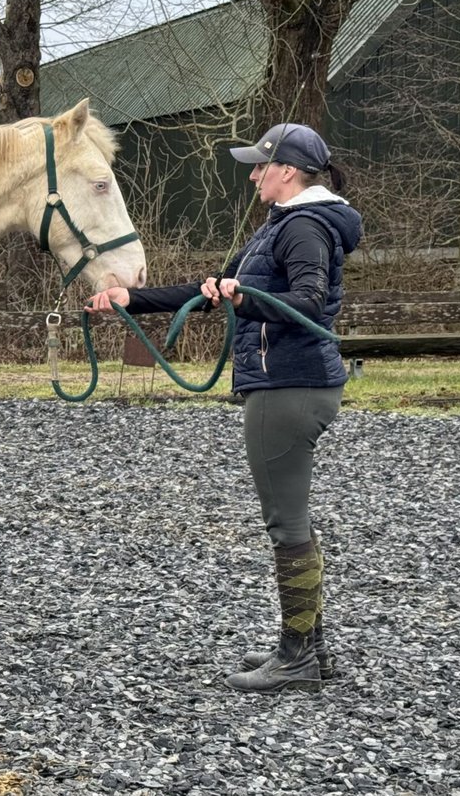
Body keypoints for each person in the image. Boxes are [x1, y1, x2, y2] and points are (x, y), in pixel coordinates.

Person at [87, 122, 362, 693]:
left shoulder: (304, 226)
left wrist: (248, 297)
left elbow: (309, 300)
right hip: (287, 382)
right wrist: (129, 298)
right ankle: (310, 646)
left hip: (288, 386)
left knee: (286, 524)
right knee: (293, 521)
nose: (254, 175)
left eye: (261, 166)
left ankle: (297, 657)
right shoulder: (280, 226)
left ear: (287, 170)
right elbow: (209, 288)